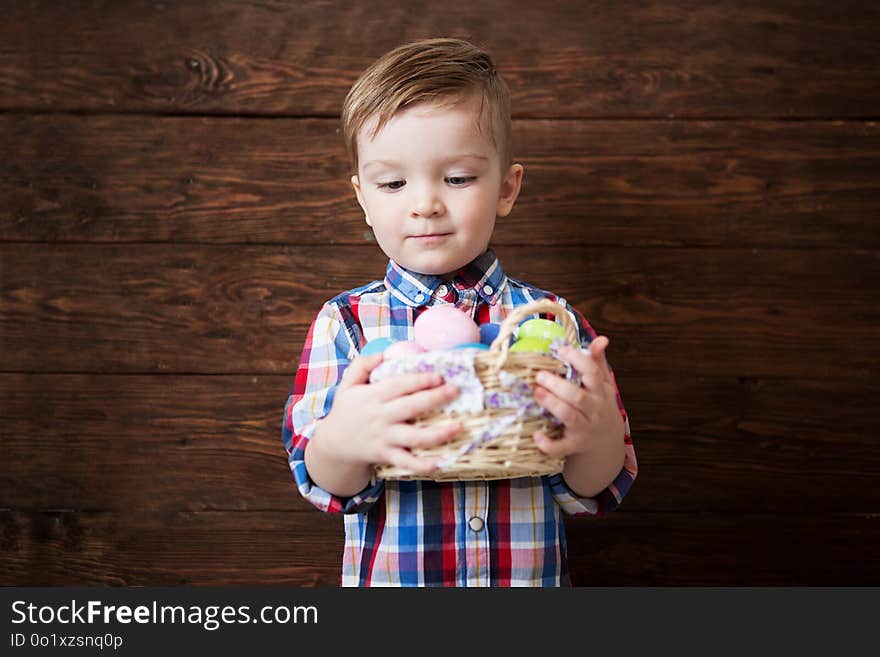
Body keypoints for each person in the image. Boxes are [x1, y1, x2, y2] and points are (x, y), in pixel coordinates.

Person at [281, 37, 637, 586]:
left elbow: (594, 490)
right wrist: (343, 440)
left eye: (458, 178)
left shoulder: (545, 323)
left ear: (506, 188)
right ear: (363, 199)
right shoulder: (346, 323)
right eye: (393, 183)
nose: (425, 203)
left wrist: (598, 437)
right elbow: (322, 480)